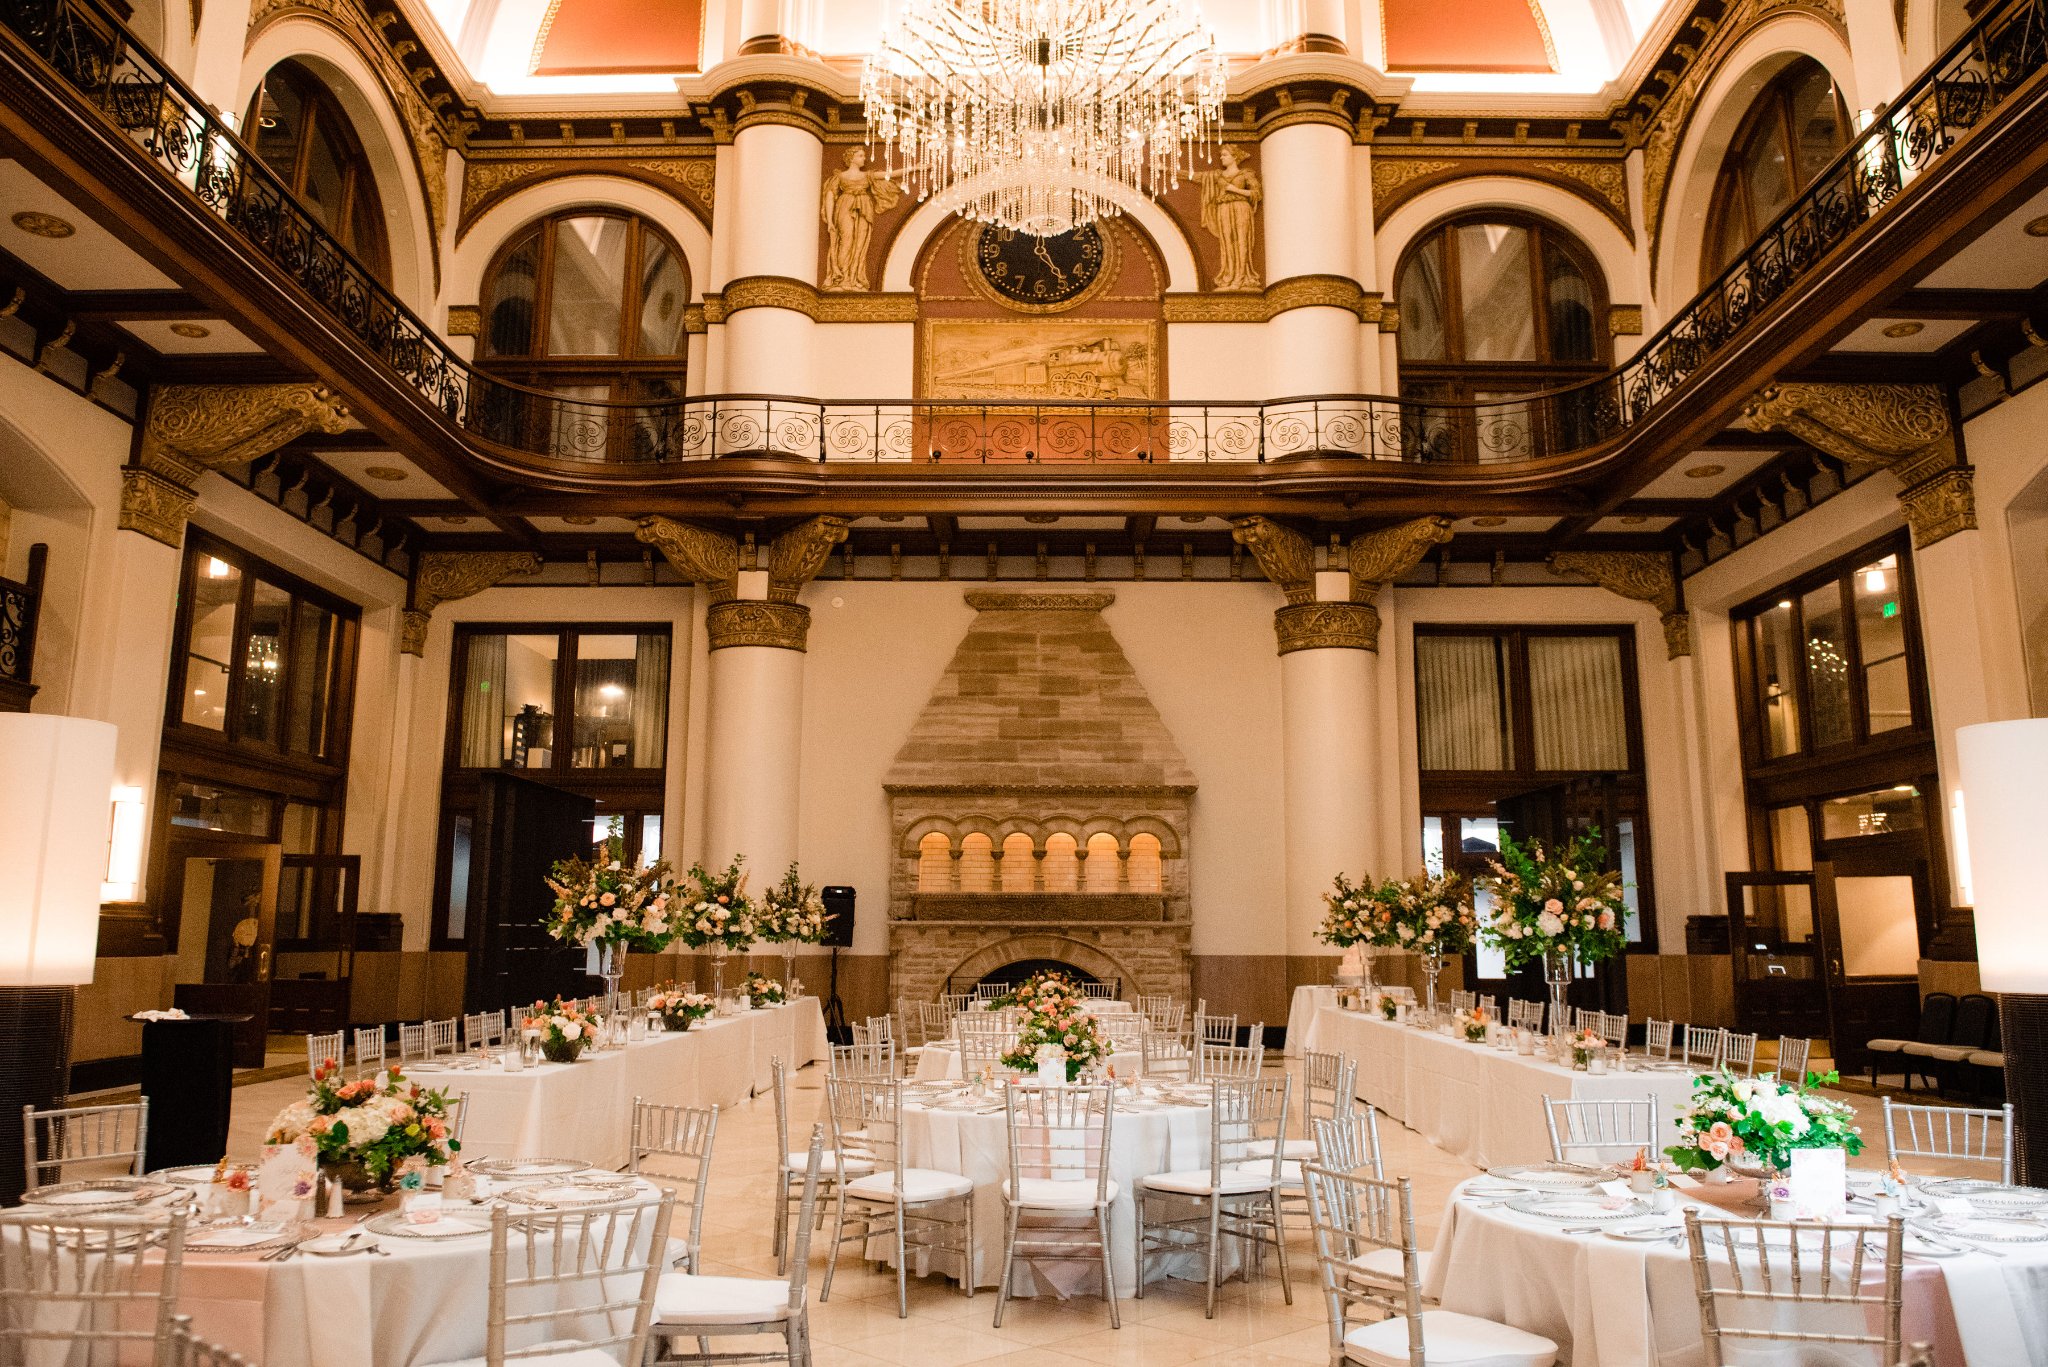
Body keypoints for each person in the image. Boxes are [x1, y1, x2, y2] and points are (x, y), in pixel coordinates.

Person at [821, 146, 902, 291]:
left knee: (860, 242)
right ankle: (841, 277)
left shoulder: (867, 175)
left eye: (863, 156)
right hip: (845, 206)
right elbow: (829, 197)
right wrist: (830, 222)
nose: (864, 158)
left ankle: (854, 276)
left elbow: (890, 174)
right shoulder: (839, 177)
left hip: (864, 207)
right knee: (846, 239)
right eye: (860, 156)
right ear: (851, 158)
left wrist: (914, 168)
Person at [1197, 145, 1263, 291]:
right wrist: (1167, 170)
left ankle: (1241, 277)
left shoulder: (1246, 174)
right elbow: (1197, 177)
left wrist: (1235, 190)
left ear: (1235, 157)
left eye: (1225, 155)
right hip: (1224, 208)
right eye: (1221, 155)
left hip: (1241, 207)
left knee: (1241, 241)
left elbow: (1256, 193)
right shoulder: (1217, 175)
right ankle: (1231, 276)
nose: (1221, 158)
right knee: (1227, 243)